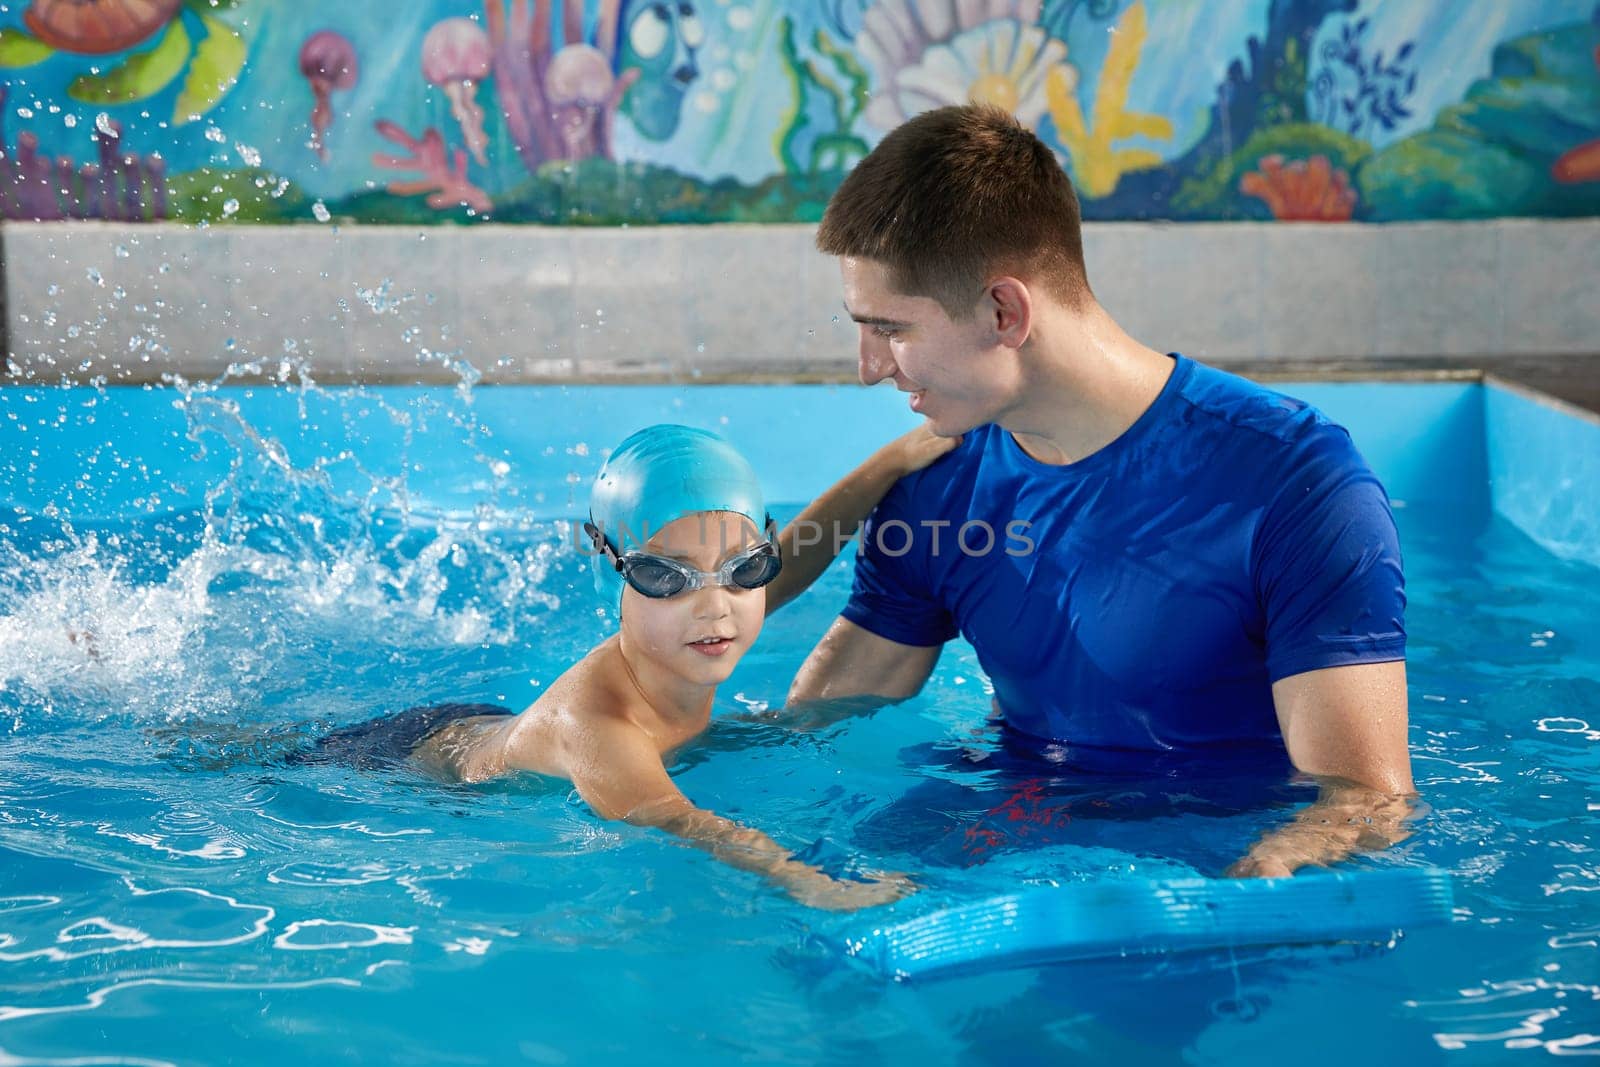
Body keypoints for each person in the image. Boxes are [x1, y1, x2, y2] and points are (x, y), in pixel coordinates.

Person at [783, 104, 1415, 878]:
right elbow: (813, 724)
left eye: (890, 328)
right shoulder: (937, 486)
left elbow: (1366, 804)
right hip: (1015, 827)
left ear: (1004, 311)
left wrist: (1240, 892)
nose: (869, 366)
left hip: (1212, 860)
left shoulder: (1296, 484)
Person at [295, 422, 956, 910]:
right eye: (668, 576)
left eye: (744, 568)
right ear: (615, 564)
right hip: (402, 762)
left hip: (487, 719)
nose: (715, 608)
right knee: (231, 755)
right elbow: (676, 817)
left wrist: (892, 461)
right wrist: (807, 878)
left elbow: (793, 559)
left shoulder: (708, 615)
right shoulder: (595, 725)